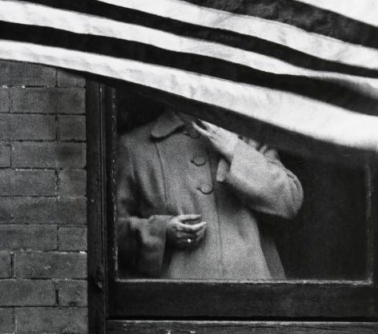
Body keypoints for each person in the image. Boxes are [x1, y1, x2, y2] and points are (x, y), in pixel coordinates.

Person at [116, 108, 303, 279]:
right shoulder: (135, 146)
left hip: (253, 297)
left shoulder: (248, 138)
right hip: (176, 301)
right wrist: (160, 232)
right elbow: (108, 232)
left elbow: (290, 200)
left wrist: (234, 149)